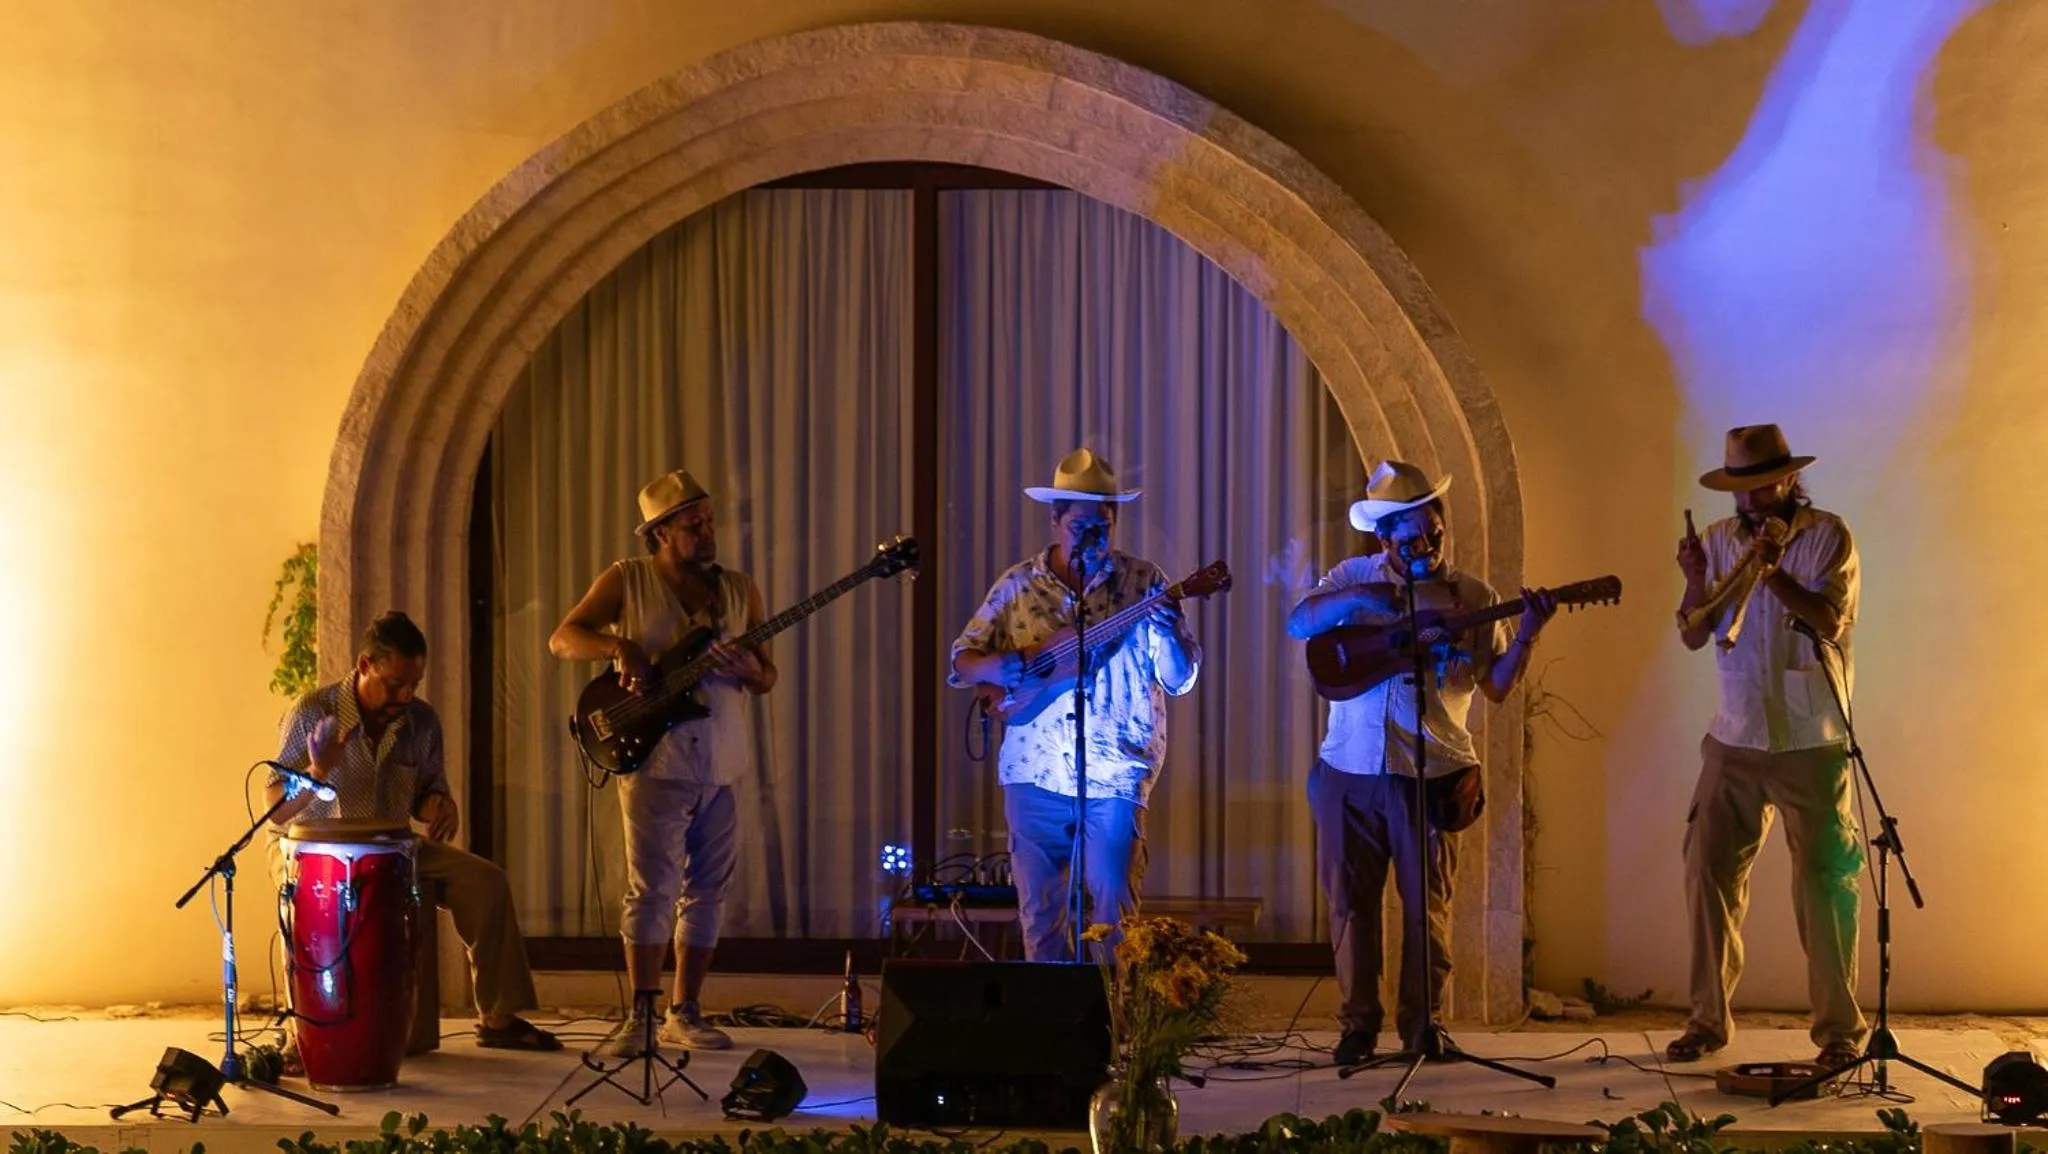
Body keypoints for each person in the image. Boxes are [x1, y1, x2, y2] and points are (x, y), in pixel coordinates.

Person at [1286, 460, 1554, 1067]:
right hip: (1348, 771)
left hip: (1430, 772)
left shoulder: (1473, 597)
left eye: (1435, 536)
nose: (1427, 549)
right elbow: (1300, 622)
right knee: (1351, 905)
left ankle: (1422, 1026)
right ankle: (1358, 1026)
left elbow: (1497, 687)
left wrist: (1530, 634)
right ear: (1384, 539)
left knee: (1424, 907)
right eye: (1411, 540)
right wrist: (1361, 597)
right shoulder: (1352, 576)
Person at [549, 468, 775, 1055]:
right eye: (693, 525)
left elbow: (766, 675)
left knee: (708, 890)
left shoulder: (739, 590)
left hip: (723, 759)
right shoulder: (627, 580)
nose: (707, 532)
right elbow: (563, 638)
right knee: (650, 889)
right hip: (656, 759)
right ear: (660, 534)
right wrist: (617, 645)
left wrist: (750, 670)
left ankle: (686, 1010)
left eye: (708, 521)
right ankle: (642, 1015)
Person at [268, 611, 560, 1053]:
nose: (404, 695)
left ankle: (498, 1017)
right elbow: (275, 808)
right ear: (365, 665)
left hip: (392, 846)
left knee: (485, 882)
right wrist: (317, 769)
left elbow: (425, 794)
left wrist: (442, 807)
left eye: (413, 685)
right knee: (310, 906)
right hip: (312, 848)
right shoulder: (313, 711)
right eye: (394, 684)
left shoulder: (420, 721)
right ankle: (302, 1032)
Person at [949, 447, 1201, 961]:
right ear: (1056, 520)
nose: (1092, 535)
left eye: (1102, 525)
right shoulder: (1018, 583)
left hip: (1117, 768)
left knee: (1112, 899)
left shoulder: (1144, 582)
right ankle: (1051, 1027)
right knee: (1040, 911)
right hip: (1032, 768)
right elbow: (962, 661)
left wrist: (1173, 630)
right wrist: (1002, 667)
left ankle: (1111, 1025)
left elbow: (1178, 680)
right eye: (1080, 524)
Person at [1666, 424, 1864, 1069]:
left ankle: (1838, 1034)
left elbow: (1830, 621)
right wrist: (1697, 579)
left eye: (1761, 485)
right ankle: (1705, 1024)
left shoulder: (1827, 536)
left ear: (1788, 480)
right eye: (1740, 489)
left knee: (1824, 883)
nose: (1751, 500)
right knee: (1708, 874)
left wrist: (1771, 574)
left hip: (1811, 737)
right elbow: (1694, 634)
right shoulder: (1721, 541)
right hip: (1734, 735)